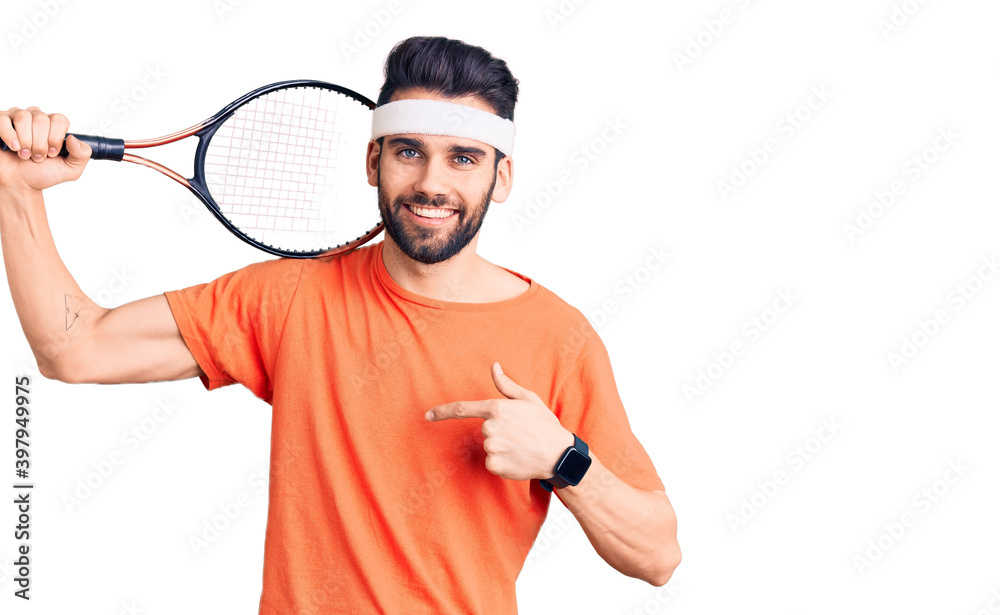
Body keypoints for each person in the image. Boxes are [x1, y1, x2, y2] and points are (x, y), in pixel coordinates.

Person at [0, 36, 680, 614]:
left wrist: (565, 460)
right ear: (372, 161)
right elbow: (73, 346)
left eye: (463, 158)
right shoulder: (295, 296)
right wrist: (15, 191)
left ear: (501, 177)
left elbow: (657, 555)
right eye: (408, 151)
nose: (431, 182)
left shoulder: (558, 338)